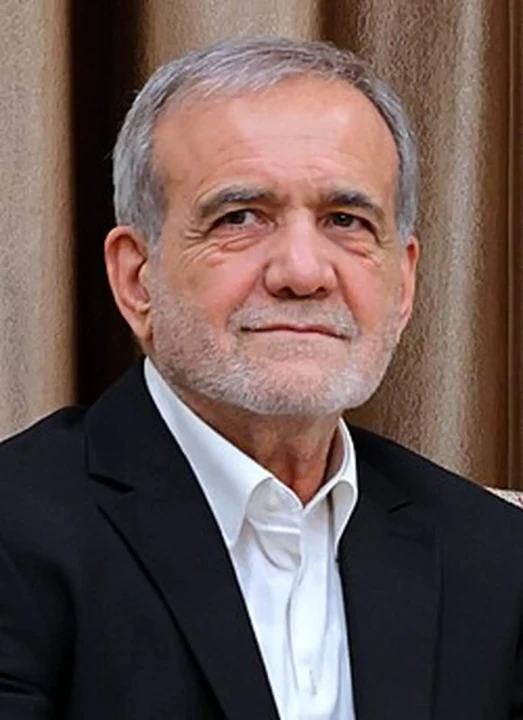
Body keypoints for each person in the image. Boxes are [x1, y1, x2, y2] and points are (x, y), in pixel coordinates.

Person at [0, 35, 521, 720]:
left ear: (402, 283)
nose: (302, 273)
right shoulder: (16, 533)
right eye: (240, 218)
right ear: (137, 279)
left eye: (345, 220)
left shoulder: (495, 556)